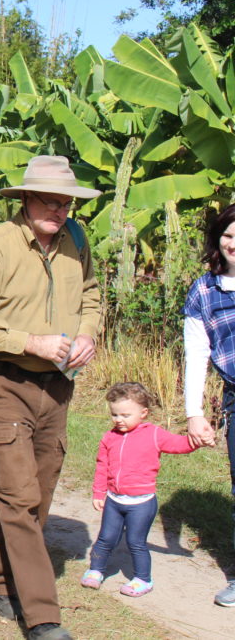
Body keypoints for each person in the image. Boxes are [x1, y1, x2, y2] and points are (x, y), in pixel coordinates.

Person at [0, 155, 103, 640]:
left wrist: (88, 335)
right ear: (24, 200)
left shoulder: (77, 241)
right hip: (3, 385)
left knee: (36, 500)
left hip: (57, 388)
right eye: (50, 201)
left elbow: (93, 296)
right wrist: (30, 341)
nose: (59, 210)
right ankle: (42, 618)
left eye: (67, 203)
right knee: (19, 499)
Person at [80, 382, 206, 597]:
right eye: (114, 414)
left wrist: (198, 440)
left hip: (141, 503)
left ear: (143, 413)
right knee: (106, 538)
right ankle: (96, 570)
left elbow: (180, 445)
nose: (119, 420)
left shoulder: (154, 434)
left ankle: (143, 579)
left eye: (125, 415)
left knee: (135, 542)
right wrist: (99, 493)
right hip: (114, 500)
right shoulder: (109, 438)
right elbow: (102, 466)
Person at [182, 202, 235, 607]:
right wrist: (194, 413)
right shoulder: (204, 290)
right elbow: (196, 354)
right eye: (229, 235)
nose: (234, 243)